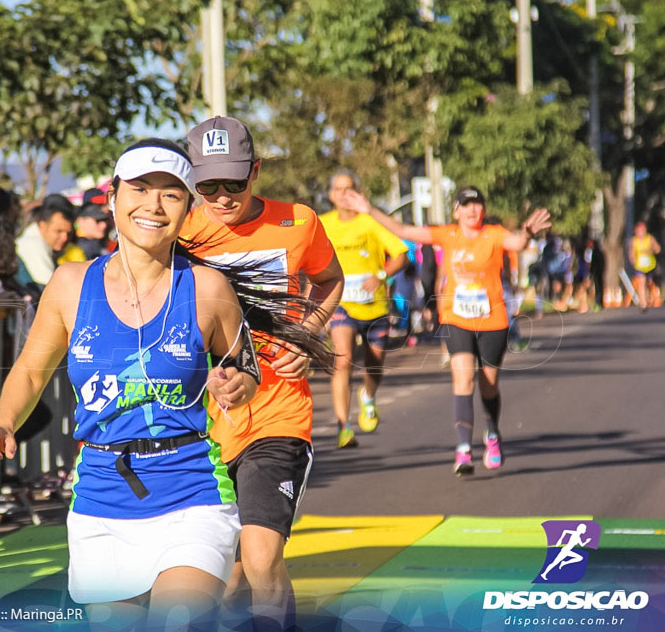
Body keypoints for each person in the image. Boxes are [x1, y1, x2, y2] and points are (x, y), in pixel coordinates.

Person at [0, 138, 327, 628]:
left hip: (191, 492)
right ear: (113, 196)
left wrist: (236, 384)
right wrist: (2, 424)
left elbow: (245, 366)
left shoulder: (207, 288)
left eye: (171, 193)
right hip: (100, 496)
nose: (153, 205)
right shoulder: (71, 284)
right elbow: (31, 368)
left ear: (186, 209)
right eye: (139, 189)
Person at [180, 116, 344, 630]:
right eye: (208, 185)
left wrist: (309, 332)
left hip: (279, 412)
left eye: (235, 181)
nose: (223, 196)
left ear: (255, 172)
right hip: (199, 423)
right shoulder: (178, 233)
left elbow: (331, 279)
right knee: (224, 581)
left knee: (261, 559)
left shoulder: (299, 222)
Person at [343, 186, 551, 476]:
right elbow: (403, 228)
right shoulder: (447, 234)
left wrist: (528, 231)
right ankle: (463, 449)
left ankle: (491, 432)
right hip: (456, 319)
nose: (472, 210)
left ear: (483, 209)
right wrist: (370, 210)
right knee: (463, 378)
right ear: (457, 211)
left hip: (492, 321)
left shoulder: (494, 234)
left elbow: (517, 243)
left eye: (477, 204)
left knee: (488, 384)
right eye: (466, 205)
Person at [319, 170, 407, 449]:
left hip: (375, 306)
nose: (345, 195)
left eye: (350, 189)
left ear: (358, 192)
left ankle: (368, 395)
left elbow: (402, 256)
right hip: (342, 304)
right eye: (339, 190)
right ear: (331, 195)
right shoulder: (322, 225)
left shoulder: (370, 223)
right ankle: (343, 426)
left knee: (375, 363)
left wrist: (380, 276)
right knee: (342, 360)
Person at [15, 196, 77, 288]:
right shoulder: (33, 245)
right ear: (42, 225)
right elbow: (52, 289)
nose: (65, 237)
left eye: (68, 233)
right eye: (58, 231)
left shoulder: (34, 241)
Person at [629, 221, 662, 310]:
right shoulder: (634, 240)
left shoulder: (650, 238)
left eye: (641, 230)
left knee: (649, 283)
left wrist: (651, 250)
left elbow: (658, 249)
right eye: (638, 230)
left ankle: (651, 298)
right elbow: (632, 252)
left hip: (650, 265)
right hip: (640, 265)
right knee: (641, 282)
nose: (640, 232)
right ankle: (643, 303)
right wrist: (632, 260)